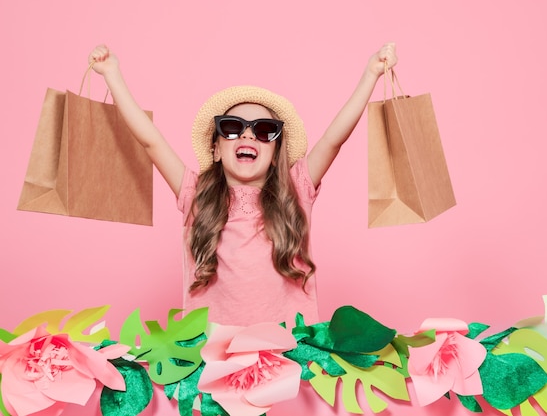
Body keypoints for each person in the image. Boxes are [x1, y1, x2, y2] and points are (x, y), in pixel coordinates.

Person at [88, 43, 398, 327]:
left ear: (277, 155)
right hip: (212, 358)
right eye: (233, 128)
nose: (248, 135)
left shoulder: (295, 192)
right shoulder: (196, 196)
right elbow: (150, 141)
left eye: (265, 130)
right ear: (216, 150)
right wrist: (113, 76)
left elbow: (333, 139)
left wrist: (370, 75)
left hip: (286, 355)